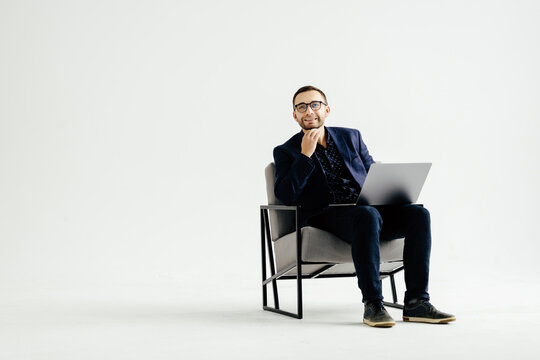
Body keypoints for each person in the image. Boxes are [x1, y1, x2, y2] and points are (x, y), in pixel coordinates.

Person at [273, 85, 455, 327]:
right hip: (328, 215)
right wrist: (305, 156)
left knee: (418, 214)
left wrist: (394, 191)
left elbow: (372, 173)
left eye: (315, 105)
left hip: (367, 210)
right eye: (301, 107)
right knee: (366, 215)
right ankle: (373, 304)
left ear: (326, 110)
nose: (309, 111)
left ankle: (417, 302)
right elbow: (286, 195)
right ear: (294, 115)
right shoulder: (286, 151)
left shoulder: (351, 137)